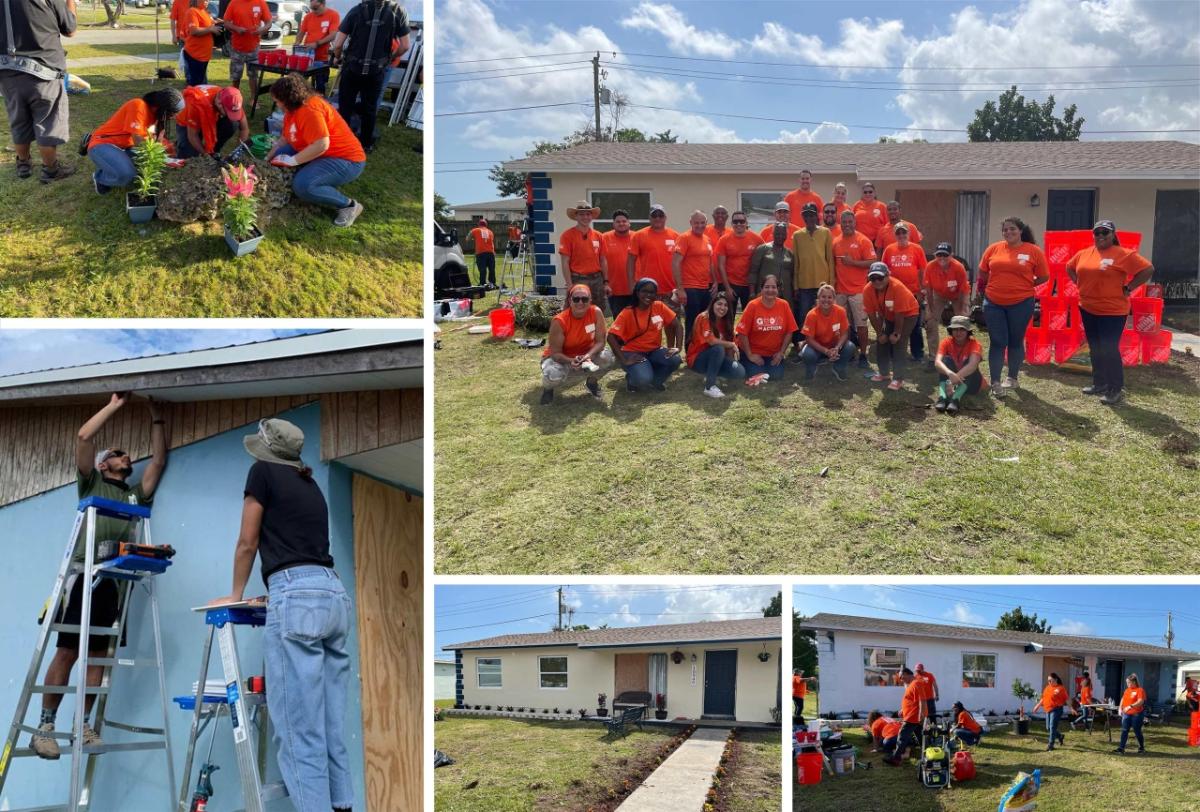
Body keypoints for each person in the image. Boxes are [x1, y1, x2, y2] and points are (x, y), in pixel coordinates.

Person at [207, 418, 353, 812]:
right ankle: (341, 805)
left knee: (298, 729)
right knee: (329, 726)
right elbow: (304, 548)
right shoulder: (310, 482)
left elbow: (247, 541)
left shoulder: (262, 471)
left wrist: (236, 594)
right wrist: (281, 592)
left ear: (266, 450)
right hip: (332, 593)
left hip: (297, 593)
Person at [30, 393, 168, 759]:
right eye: (120, 454)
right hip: (82, 576)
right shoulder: (91, 483)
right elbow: (83, 439)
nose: (128, 458)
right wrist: (115, 406)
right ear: (105, 465)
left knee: (98, 657)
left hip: (113, 585)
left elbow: (158, 460)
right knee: (68, 651)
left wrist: (156, 415)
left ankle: (84, 726)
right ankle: (45, 726)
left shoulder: (135, 496)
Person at [1066, 219, 1155, 406]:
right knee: (1096, 346)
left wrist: (1129, 287)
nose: (1100, 236)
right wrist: (1078, 283)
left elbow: (1147, 269)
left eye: (1104, 233)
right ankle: (1099, 383)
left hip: (1113, 311)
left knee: (1108, 348)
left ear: (1113, 235)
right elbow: (1069, 267)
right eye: (1096, 233)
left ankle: (1115, 388)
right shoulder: (1085, 253)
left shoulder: (1123, 254)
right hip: (1088, 307)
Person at [266, 74, 367, 227]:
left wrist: (293, 160)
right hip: (320, 153)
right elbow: (284, 139)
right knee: (280, 156)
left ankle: (349, 205)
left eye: (277, 100)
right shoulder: (292, 110)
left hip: (346, 160)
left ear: (288, 98)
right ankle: (313, 177)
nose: (277, 104)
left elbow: (321, 145)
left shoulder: (310, 109)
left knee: (303, 186)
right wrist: (268, 157)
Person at [0, 0, 77, 183]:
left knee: (18, 119)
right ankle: (51, 170)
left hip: (7, 70)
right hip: (44, 70)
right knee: (47, 122)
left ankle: (24, 164)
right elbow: (70, 29)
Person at [978, 216, 1050, 397]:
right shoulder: (993, 248)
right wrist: (995, 285)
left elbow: (1043, 276)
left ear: (1021, 231)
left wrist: (1025, 285)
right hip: (994, 302)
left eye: (1012, 229)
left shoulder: (1033, 251)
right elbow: (983, 271)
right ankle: (995, 382)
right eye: (1005, 230)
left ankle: (1012, 377)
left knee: (1015, 341)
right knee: (997, 341)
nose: (1008, 232)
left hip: (1021, 303)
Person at [332, 0, 410, 153]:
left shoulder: (356, 10)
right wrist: (391, 58)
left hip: (352, 68)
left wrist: (337, 56)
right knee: (370, 108)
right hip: (376, 70)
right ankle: (365, 144)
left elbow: (338, 44)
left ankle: (341, 141)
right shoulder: (398, 11)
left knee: (346, 106)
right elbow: (405, 45)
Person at [87, 88, 184, 194]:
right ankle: (101, 178)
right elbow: (138, 141)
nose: (174, 117)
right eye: (173, 113)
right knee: (127, 174)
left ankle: (115, 163)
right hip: (102, 144)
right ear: (162, 108)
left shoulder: (155, 116)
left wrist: (171, 153)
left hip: (124, 147)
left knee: (144, 166)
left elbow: (153, 139)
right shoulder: (138, 106)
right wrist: (163, 159)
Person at [539, 284, 614, 404]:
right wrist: (571, 360)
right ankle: (548, 389)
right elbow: (555, 353)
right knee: (552, 374)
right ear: (570, 300)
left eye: (584, 299)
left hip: (585, 355)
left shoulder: (596, 312)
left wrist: (588, 356)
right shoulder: (560, 321)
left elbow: (600, 342)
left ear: (590, 300)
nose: (580, 302)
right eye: (576, 299)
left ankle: (591, 383)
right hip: (560, 358)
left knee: (607, 357)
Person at [606, 278, 683, 392]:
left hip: (654, 350)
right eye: (644, 291)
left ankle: (655, 381)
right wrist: (624, 360)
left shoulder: (659, 306)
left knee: (675, 359)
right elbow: (610, 336)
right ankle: (632, 380)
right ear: (637, 293)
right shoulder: (628, 312)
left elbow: (677, 325)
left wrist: (678, 347)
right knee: (643, 378)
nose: (648, 295)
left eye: (652, 292)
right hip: (633, 353)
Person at [863, 263, 920, 391]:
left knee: (898, 343)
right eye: (873, 278)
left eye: (880, 278)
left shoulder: (897, 287)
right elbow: (872, 315)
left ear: (888, 275)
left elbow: (899, 314)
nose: (877, 281)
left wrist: (896, 333)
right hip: (889, 315)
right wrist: (879, 333)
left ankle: (898, 379)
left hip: (908, 314)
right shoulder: (867, 290)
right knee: (882, 341)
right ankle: (884, 373)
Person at [832, 210, 876, 369]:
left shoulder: (863, 240)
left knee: (861, 325)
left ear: (854, 222)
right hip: (840, 291)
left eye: (850, 222)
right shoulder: (836, 241)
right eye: (844, 222)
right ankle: (849, 352)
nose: (847, 225)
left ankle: (863, 354)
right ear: (840, 224)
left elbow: (872, 262)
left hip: (858, 290)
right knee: (844, 326)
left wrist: (853, 263)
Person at [791, 202, 835, 353]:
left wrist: (831, 283)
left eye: (812, 214)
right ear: (803, 216)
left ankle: (824, 343)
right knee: (804, 315)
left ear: (817, 216)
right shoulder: (797, 235)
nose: (809, 217)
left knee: (824, 314)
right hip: (804, 284)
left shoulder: (825, 233)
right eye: (806, 215)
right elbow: (796, 262)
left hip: (822, 284)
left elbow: (830, 259)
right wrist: (796, 285)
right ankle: (805, 346)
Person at [881, 223, 928, 362]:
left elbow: (923, 270)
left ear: (909, 234)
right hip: (893, 293)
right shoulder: (889, 250)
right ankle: (892, 352)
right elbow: (884, 270)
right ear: (895, 235)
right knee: (891, 321)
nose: (901, 236)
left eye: (904, 233)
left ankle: (917, 354)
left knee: (914, 325)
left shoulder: (917, 249)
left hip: (913, 293)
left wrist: (922, 290)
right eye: (898, 233)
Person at [736, 275, 798, 382]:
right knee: (756, 374)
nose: (770, 290)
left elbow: (790, 331)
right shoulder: (753, 305)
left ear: (778, 290)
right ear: (761, 289)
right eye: (767, 287)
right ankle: (746, 361)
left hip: (772, 353)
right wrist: (750, 355)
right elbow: (742, 333)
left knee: (776, 376)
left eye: (773, 287)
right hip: (754, 351)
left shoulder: (784, 305)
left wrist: (781, 353)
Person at [687, 291, 744, 398]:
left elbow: (729, 347)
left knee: (739, 372)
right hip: (697, 359)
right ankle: (709, 387)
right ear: (713, 304)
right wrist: (731, 344)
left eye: (726, 305)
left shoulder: (725, 321)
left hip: (718, 358)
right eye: (719, 304)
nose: (722, 307)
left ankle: (712, 374)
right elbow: (711, 341)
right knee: (718, 348)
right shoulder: (704, 317)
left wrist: (731, 362)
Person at [673, 210, 718, 340]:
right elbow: (675, 263)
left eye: (702, 223)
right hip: (690, 287)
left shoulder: (707, 239)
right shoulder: (684, 238)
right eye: (696, 223)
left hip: (705, 287)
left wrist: (714, 281)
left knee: (705, 320)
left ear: (706, 223)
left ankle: (702, 349)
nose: (699, 225)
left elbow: (710, 263)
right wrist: (680, 289)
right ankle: (690, 353)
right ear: (691, 223)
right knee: (692, 321)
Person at [558, 200, 608, 314]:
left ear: (591, 216)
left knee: (598, 310)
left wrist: (606, 282)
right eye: (581, 214)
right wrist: (569, 284)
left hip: (597, 279)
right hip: (577, 279)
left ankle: (597, 331)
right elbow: (565, 261)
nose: (585, 217)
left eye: (588, 214)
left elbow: (603, 260)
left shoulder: (599, 236)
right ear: (576, 216)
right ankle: (574, 331)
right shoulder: (567, 235)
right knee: (574, 310)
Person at [175, 84, 249, 158]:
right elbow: (193, 135)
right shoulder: (197, 104)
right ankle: (182, 143)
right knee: (189, 156)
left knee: (232, 124)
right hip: (187, 121)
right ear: (219, 104)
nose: (232, 114)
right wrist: (205, 154)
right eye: (228, 112)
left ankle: (214, 151)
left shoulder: (232, 100)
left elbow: (244, 129)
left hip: (211, 114)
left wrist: (238, 152)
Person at [924, 242, 971, 357]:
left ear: (951, 255)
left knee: (962, 321)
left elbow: (962, 290)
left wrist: (961, 311)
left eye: (945, 255)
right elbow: (929, 290)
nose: (942, 258)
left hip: (958, 294)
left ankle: (962, 352)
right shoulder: (930, 266)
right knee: (930, 322)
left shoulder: (959, 267)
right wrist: (931, 310)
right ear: (935, 255)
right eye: (939, 255)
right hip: (938, 293)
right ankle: (933, 356)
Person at [800, 284, 855, 381]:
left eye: (829, 297)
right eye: (823, 297)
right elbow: (808, 339)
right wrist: (825, 351)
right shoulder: (812, 314)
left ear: (834, 299)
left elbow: (845, 333)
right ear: (818, 298)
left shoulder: (841, 311)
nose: (826, 300)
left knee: (850, 347)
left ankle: (838, 367)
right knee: (807, 354)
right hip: (817, 347)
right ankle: (812, 367)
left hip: (834, 346)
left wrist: (837, 348)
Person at [628, 203, 679, 307]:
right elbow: (630, 261)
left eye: (661, 215)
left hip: (670, 290)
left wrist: (680, 287)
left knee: (672, 321)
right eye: (654, 216)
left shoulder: (676, 236)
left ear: (665, 217)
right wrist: (632, 283)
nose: (658, 218)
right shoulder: (639, 235)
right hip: (647, 290)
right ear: (649, 218)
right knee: (648, 321)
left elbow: (681, 263)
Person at [933, 315, 984, 414]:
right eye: (955, 329)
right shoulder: (946, 342)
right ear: (951, 330)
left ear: (968, 331)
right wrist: (949, 373)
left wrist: (955, 378)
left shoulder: (975, 344)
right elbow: (937, 362)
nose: (958, 332)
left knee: (969, 364)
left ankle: (955, 400)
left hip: (971, 385)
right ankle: (942, 398)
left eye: (962, 329)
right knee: (945, 360)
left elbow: (972, 365)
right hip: (951, 380)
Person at [716, 210, 762, 312]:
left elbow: (763, 260)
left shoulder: (757, 239)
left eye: (741, 221)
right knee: (728, 315)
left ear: (746, 223)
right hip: (731, 284)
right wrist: (727, 288)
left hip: (749, 285)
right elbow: (721, 265)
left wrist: (757, 287)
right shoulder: (724, 240)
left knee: (750, 314)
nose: (739, 224)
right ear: (732, 223)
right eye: (735, 222)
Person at [222, 0, 270, 94]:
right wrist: (237, 29)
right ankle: (235, 98)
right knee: (236, 76)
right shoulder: (234, 2)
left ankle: (253, 99)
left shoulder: (261, 2)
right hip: (237, 47)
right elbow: (226, 22)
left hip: (254, 47)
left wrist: (262, 30)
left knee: (253, 75)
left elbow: (269, 22)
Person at [297, 0, 341, 94]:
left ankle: (319, 104)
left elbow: (333, 35)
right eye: (312, 8)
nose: (313, 11)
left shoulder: (333, 15)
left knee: (320, 85)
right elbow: (301, 32)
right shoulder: (308, 16)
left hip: (321, 57)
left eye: (315, 8)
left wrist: (317, 44)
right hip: (306, 56)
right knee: (299, 83)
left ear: (323, 4)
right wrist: (297, 42)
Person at [883, 668, 926, 765]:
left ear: (907, 674)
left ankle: (895, 758)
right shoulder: (912, 685)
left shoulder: (916, 683)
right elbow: (912, 700)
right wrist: (903, 709)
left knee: (902, 737)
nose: (901, 680)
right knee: (921, 737)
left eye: (902, 677)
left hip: (913, 717)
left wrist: (921, 715)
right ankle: (929, 754)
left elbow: (922, 700)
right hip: (913, 716)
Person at [602, 209, 636, 316]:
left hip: (636, 288)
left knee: (637, 320)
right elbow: (600, 260)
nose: (621, 223)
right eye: (618, 221)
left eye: (624, 221)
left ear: (629, 223)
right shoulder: (604, 238)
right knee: (619, 321)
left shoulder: (637, 237)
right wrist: (605, 283)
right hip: (615, 289)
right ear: (613, 224)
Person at [748, 222, 794, 300]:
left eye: (783, 234)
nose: (780, 236)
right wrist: (752, 292)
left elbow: (793, 275)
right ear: (773, 234)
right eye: (777, 233)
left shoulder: (790, 253)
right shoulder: (762, 249)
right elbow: (753, 272)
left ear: (786, 235)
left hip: (785, 295)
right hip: (764, 293)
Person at [182, 0, 221, 86]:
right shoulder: (192, 11)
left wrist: (218, 22)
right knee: (196, 85)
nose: (207, 1)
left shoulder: (204, 11)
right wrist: (210, 29)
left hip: (203, 55)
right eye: (205, 0)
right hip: (195, 55)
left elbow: (208, 24)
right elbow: (194, 31)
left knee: (201, 84)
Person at [1032, 672, 1073, 751]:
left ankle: (1050, 745)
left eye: (1051, 680)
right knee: (1048, 728)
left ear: (1056, 679)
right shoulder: (1047, 687)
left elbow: (1067, 699)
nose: (1049, 682)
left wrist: (1071, 708)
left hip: (1057, 709)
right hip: (1048, 709)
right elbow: (1043, 698)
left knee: (1052, 727)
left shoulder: (1061, 688)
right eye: (1048, 681)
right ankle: (1060, 736)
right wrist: (1037, 706)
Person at [1113, 673, 1146, 755]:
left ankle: (1141, 747)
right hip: (1126, 714)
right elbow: (1123, 699)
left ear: (1134, 682)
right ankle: (1121, 748)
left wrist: (1130, 706)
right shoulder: (1127, 690)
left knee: (1137, 731)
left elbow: (1140, 702)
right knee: (1124, 730)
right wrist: (1120, 708)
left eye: (1129, 682)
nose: (1127, 684)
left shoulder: (1140, 690)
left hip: (1137, 714)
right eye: (1127, 683)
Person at [852, 181, 888, 246]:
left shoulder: (882, 206)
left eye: (870, 192)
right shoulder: (856, 205)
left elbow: (887, 225)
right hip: (859, 240)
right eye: (865, 192)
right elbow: (851, 222)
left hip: (876, 242)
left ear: (874, 193)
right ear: (862, 194)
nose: (867, 194)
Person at [468, 218, 496, 288]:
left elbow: (467, 238)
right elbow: (490, 242)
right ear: (486, 225)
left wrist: (473, 238)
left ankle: (482, 283)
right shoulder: (490, 232)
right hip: (490, 252)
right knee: (491, 269)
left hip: (481, 253)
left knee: (482, 269)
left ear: (478, 224)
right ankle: (492, 283)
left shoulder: (475, 230)